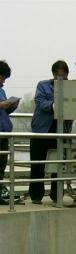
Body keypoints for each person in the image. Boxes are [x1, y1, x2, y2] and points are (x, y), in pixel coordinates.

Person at [29, 60, 72, 204]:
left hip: (60, 132)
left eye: (65, 77)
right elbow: (40, 101)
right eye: (60, 76)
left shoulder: (70, 88)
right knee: (37, 164)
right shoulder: (43, 85)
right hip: (41, 131)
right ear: (54, 74)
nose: (63, 79)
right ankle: (36, 195)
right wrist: (54, 105)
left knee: (58, 165)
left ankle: (56, 194)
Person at [0, 60, 20, 204]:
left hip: (4, 132)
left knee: (1, 163)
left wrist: (12, 105)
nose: (3, 82)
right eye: (2, 78)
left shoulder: (1, 90)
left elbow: (4, 110)